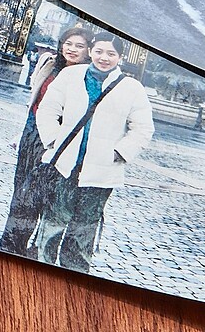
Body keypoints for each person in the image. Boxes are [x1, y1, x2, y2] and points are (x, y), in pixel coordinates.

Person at [35, 32, 154, 273]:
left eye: (111, 53)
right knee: (53, 223)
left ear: (119, 57)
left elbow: (143, 128)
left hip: (100, 173)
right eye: (99, 51)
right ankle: (41, 269)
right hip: (64, 166)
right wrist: (53, 139)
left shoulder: (131, 88)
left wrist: (119, 153)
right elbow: (47, 109)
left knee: (84, 231)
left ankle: (74, 277)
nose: (104, 58)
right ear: (90, 51)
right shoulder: (70, 75)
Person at [0, 26, 92, 256]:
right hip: (31, 134)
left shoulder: (88, 77)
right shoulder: (49, 64)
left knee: (40, 198)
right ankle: (12, 246)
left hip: (57, 142)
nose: (72, 49)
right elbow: (36, 101)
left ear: (88, 50)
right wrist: (22, 133)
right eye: (68, 44)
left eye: (79, 46)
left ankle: (31, 248)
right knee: (21, 192)